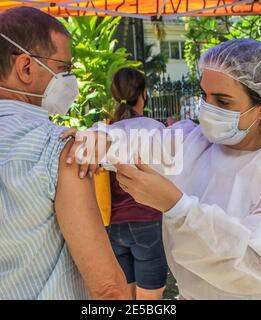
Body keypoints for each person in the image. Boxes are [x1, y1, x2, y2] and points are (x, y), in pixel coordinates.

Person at [62, 39, 261, 299]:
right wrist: (103, 139)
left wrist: (177, 207)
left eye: (223, 102)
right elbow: (144, 140)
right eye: (205, 95)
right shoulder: (195, 143)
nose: (208, 109)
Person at [0, 7, 128, 300]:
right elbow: (108, 289)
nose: (70, 81)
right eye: (64, 69)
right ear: (26, 68)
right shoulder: (58, 150)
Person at [106, 68, 168, 300]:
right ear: (143, 94)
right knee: (149, 300)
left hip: (114, 226)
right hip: (147, 222)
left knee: (125, 296)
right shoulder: (154, 129)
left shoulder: (105, 130)